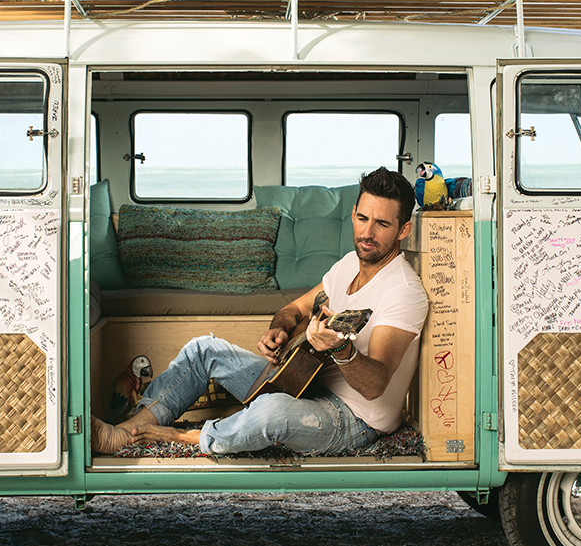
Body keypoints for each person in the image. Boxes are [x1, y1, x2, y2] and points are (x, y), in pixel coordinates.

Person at [91, 167, 429, 456]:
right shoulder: (347, 265)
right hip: (303, 381)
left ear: (403, 230)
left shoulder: (403, 291)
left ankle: (193, 436)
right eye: (361, 218)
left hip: (353, 417)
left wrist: (340, 348)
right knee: (202, 349)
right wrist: (279, 330)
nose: (366, 233)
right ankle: (128, 432)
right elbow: (294, 308)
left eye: (381, 224)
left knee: (270, 411)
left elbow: (375, 386)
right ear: (353, 212)